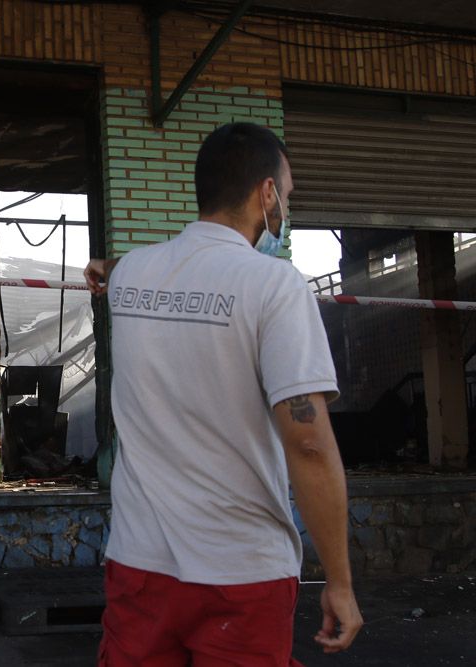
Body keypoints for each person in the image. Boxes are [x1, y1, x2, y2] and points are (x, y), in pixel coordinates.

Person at [85, 122, 362, 666]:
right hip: (242, 572)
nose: (286, 209)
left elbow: (131, 271)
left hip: (140, 569)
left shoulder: (133, 276)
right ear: (266, 193)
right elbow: (308, 445)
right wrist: (340, 580)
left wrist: (108, 263)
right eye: (288, 194)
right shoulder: (275, 286)